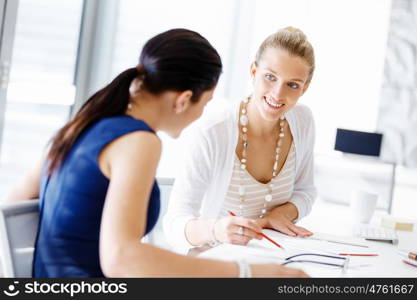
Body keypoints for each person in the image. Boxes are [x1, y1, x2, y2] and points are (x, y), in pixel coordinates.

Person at [3, 28, 308, 278]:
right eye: (204, 104)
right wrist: (246, 273)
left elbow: (13, 207)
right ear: (184, 99)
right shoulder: (139, 141)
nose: (201, 114)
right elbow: (122, 259)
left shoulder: (84, 122)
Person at [163, 27, 316, 253]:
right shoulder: (214, 131)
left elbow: (305, 191)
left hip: (273, 260)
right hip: (215, 263)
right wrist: (216, 229)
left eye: (292, 84)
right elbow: (174, 223)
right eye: (270, 77)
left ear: (304, 88)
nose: (277, 93)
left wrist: (280, 214)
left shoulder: (302, 121)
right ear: (253, 72)